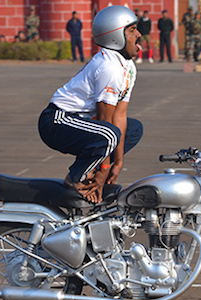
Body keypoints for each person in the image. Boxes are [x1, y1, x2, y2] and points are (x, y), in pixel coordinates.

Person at [38, 5, 143, 204]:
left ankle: (90, 172)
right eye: (131, 30)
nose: (139, 34)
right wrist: (104, 170)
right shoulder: (109, 67)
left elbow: (119, 116)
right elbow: (106, 121)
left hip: (84, 121)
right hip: (57, 121)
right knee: (110, 134)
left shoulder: (128, 66)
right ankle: (76, 178)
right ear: (114, 36)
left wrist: (118, 163)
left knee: (134, 129)